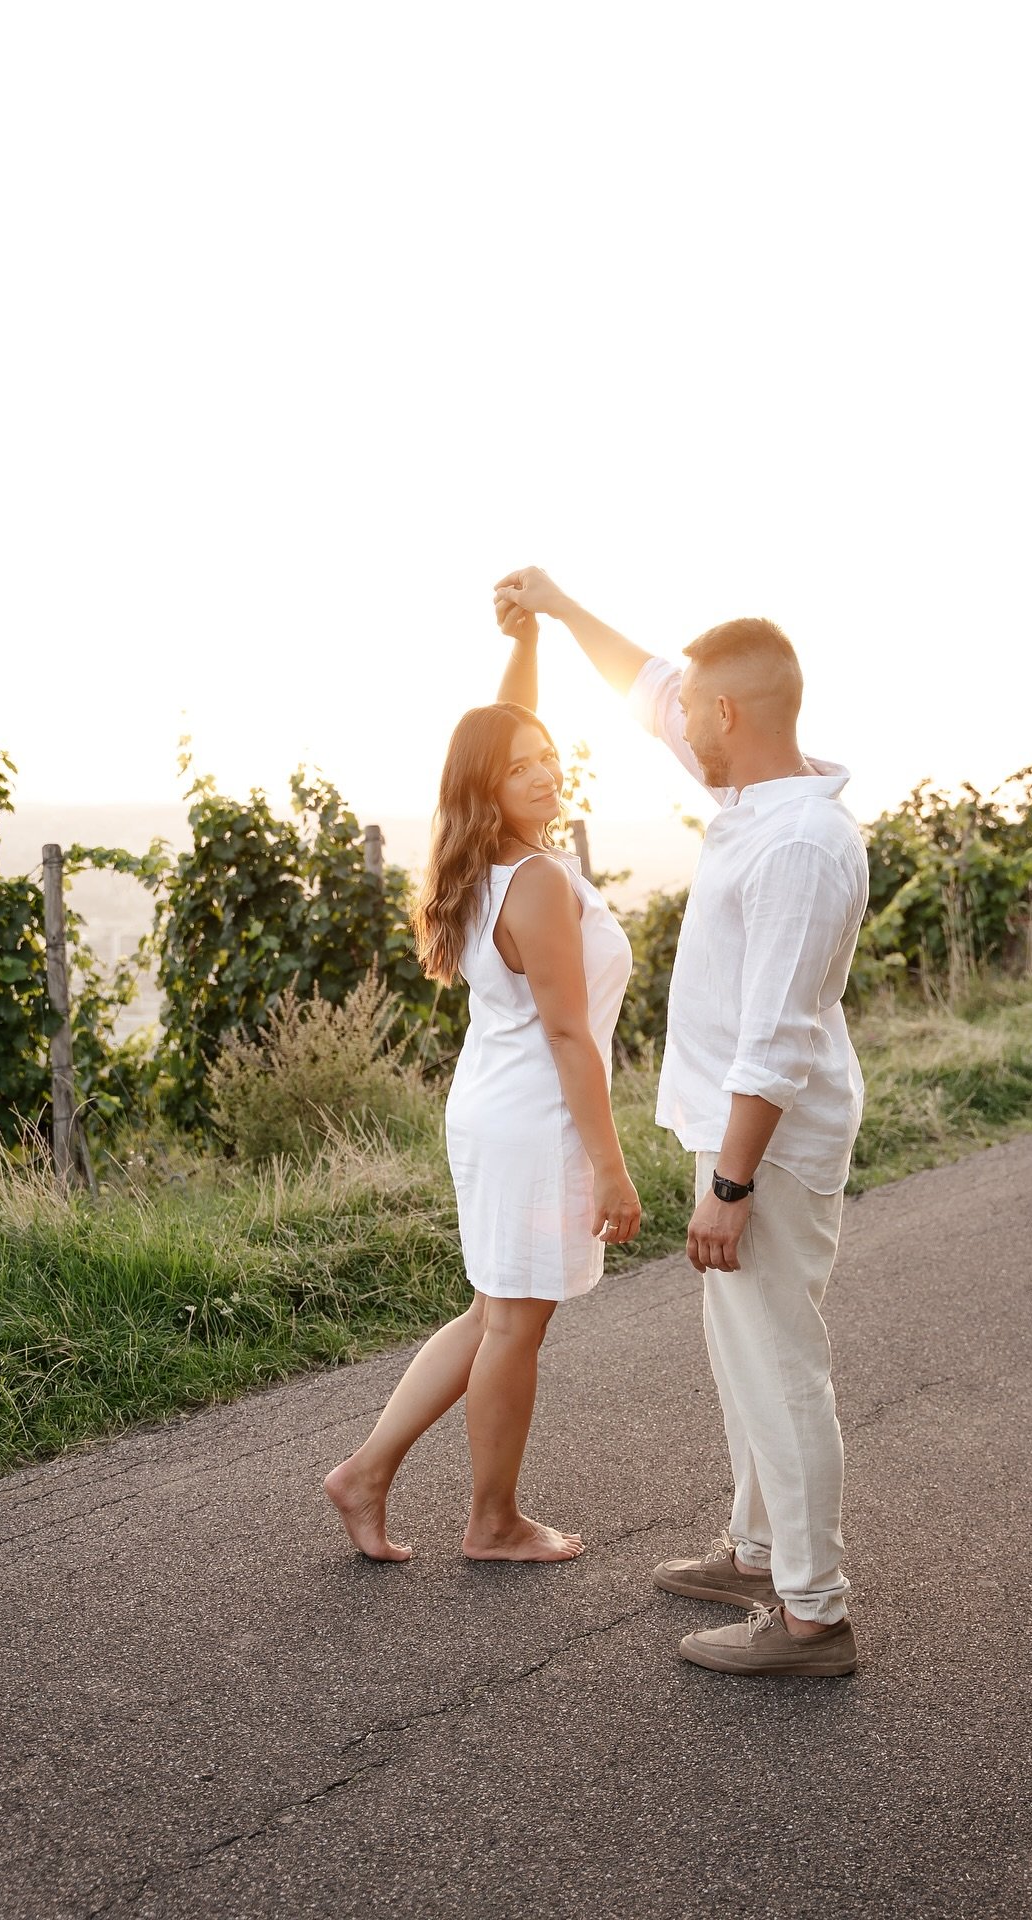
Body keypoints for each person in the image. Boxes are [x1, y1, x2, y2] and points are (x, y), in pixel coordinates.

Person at [494, 566, 869, 1675]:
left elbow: (781, 1037)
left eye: (694, 710)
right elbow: (650, 682)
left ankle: (813, 1614)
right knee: (747, 1354)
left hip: (770, 1149)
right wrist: (559, 611)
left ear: (732, 716)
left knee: (781, 1363)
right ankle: (759, 1551)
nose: (676, 720)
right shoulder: (751, 799)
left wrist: (732, 1183)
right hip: (737, 1136)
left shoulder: (801, 844)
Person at [323, 602, 639, 1564]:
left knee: (493, 1313)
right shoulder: (536, 880)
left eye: (549, 755)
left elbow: (495, 741)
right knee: (513, 1327)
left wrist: (527, 645)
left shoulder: (476, 865)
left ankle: (365, 1473)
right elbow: (571, 1036)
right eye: (522, 767)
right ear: (485, 788)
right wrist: (613, 1167)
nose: (544, 771)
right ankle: (493, 1521)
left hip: (493, 1108)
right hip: (537, 1119)